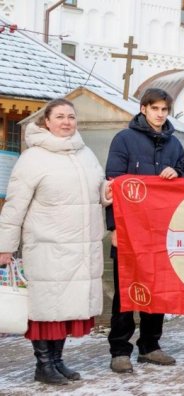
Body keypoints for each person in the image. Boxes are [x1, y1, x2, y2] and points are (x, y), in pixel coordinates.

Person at [0, 99, 112, 384]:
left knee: (67, 308)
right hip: (48, 246)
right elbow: (14, 207)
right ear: (46, 122)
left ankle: (58, 361)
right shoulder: (33, 158)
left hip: (81, 246)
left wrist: (106, 193)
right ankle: (43, 364)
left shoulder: (85, 154)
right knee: (47, 308)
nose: (66, 122)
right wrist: (5, 246)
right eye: (60, 117)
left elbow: (95, 190)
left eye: (71, 117)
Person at [106, 88, 184, 373]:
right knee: (126, 289)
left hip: (163, 230)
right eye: (155, 109)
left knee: (158, 288)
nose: (160, 114)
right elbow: (112, 186)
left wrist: (176, 175)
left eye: (164, 110)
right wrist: (112, 227)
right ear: (144, 109)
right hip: (130, 230)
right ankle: (119, 349)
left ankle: (150, 346)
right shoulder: (124, 140)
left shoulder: (174, 144)